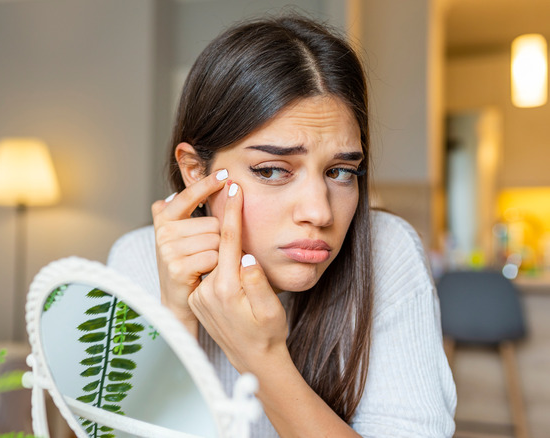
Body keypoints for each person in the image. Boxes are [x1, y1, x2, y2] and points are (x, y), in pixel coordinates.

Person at [108, 13, 456, 437]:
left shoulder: (386, 251)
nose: (320, 212)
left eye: (340, 172)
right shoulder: (138, 260)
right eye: (272, 171)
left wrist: (262, 357)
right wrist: (176, 322)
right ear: (196, 172)